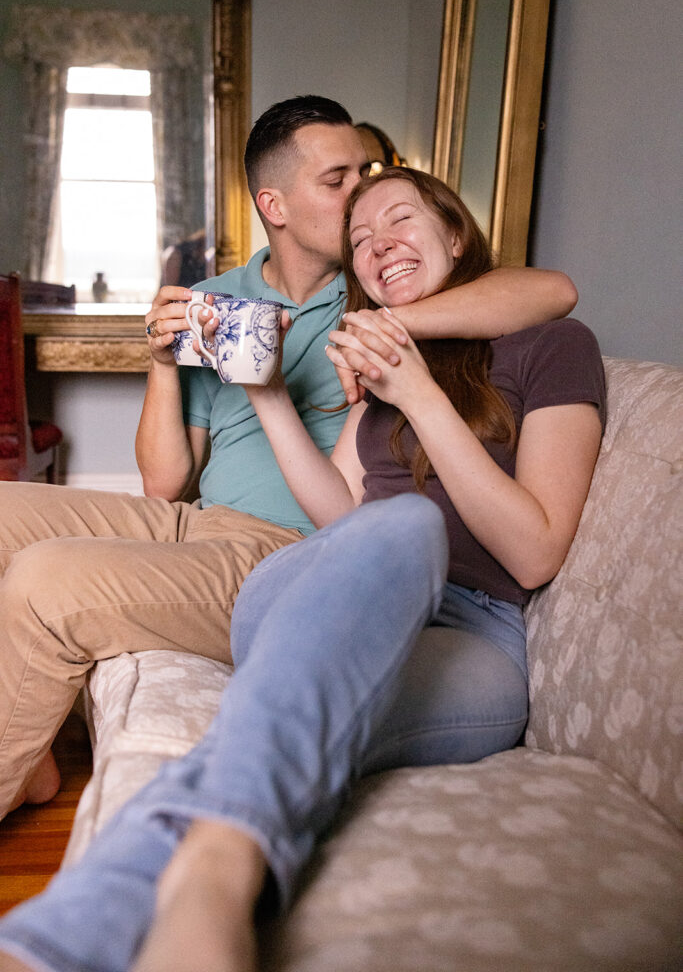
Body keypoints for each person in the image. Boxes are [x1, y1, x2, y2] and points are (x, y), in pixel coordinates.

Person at [0, 167, 605, 972]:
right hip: (317, 593)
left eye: (398, 219)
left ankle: (71, 935)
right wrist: (272, 394)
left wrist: (420, 394)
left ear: (455, 235)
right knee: (386, 529)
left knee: (398, 537)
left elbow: (534, 552)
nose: (375, 242)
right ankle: (210, 883)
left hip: (467, 635)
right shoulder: (376, 376)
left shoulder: (548, 347)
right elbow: (340, 523)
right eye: (360, 239)